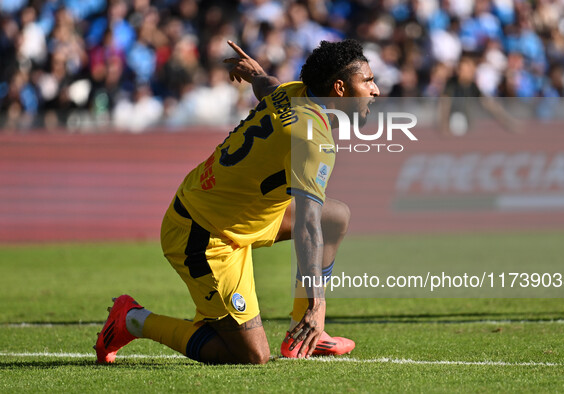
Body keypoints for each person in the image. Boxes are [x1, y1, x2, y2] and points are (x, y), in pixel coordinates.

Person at [94, 39, 380, 364]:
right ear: (340, 88)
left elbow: (269, 88)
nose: (376, 90)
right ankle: (132, 318)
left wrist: (256, 73)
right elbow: (306, 227)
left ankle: (303, 334)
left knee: (335, 216)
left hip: (232, 212)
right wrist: (318, 305)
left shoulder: (295, 91)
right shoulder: (313, 140)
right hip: (204, 234)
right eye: (368, 81)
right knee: (251, 355)